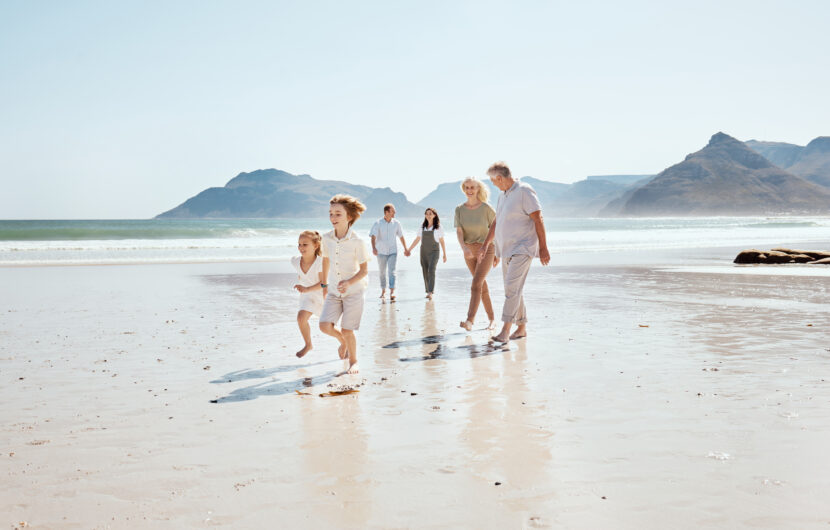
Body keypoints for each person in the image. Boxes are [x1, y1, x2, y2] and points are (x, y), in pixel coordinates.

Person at [479, 161, 550, 343]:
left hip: (523, 247)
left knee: (511, 288)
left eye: (493, 181)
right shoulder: (503, 195)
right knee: (513, 289)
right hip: (506, 249)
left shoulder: (524, 191)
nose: (493, 184)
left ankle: (505, 330)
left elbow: (538, 217)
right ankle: (522, 328)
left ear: (500, 178)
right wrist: (489, 245)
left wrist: (543, 247)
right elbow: (497, 221)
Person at [319, 194, 369, 374]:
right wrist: (324, 285)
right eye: (331, 213)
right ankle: (343, 342)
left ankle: (353, 361)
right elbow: (325, 261)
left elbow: (364, 271)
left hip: (354, 291)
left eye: (338, 214)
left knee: (348, 330)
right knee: (324, 326)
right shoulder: (326, 238)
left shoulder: (358, 241)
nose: (333, 218)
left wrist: (348, 282)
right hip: (333, 290)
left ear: (349, 217)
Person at [455, 177, 498, 331]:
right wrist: (464, 248)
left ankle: (470, 320)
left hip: (486, 250)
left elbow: (496, 229)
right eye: (466, 187)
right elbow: (459, 231)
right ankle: (492, 319)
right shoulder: (459, 209)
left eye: (472, 187)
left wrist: (497, 253)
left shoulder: (486, 208)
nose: (469, 190)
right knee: (481, 285)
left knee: (476, 284)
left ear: (478, 189)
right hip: (469, 251)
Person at [291, 230, 326, 358]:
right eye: (299, 244)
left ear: (315, 246)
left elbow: (323, 283)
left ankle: (344, 343)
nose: (301, 247)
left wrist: (306, 288)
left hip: (322, 297)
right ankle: (308, 344)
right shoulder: (295, 261)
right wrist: (303, 284)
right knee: (301, 318)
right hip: (307, 297)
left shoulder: (321, 263)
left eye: (305, 244)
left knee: (329, 327)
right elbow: (301, 272)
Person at [369, 203, 409, 301]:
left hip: (393, 251)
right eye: (393, 211)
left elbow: (401, 236)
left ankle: (392, 291)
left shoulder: (396, 223)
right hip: (381, 252)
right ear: (386, 212)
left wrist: (405, 248)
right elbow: (373, 236)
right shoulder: (378, 223)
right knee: (382, 272)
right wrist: (373, 248)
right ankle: (383, 291)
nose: (394, 212)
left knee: (392, 271)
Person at [407, 208, 447, 300]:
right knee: (425, 271)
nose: (428, 215)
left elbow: (442, 241)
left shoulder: (438, 227)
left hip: (434, 252)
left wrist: (444, 254)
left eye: (430, 213)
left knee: (431, 270)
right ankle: (428, 290)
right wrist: (409, 249)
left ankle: (430, 292)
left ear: (434, 215)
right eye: (427, 214)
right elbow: (417, 239)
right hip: (424, 252)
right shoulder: (422, 226)